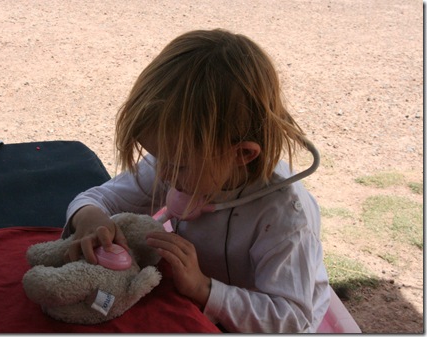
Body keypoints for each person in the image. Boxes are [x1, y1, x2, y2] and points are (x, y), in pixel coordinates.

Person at [61, 28, 330, 333]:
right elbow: (95, 199)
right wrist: (90, 219)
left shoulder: (286, 217)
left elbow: (291, 320)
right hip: (195, 299)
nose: (163, 175)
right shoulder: (182, 160)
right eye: (159, 158)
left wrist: (205, 289)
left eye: (177, 165)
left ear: (242, 154)